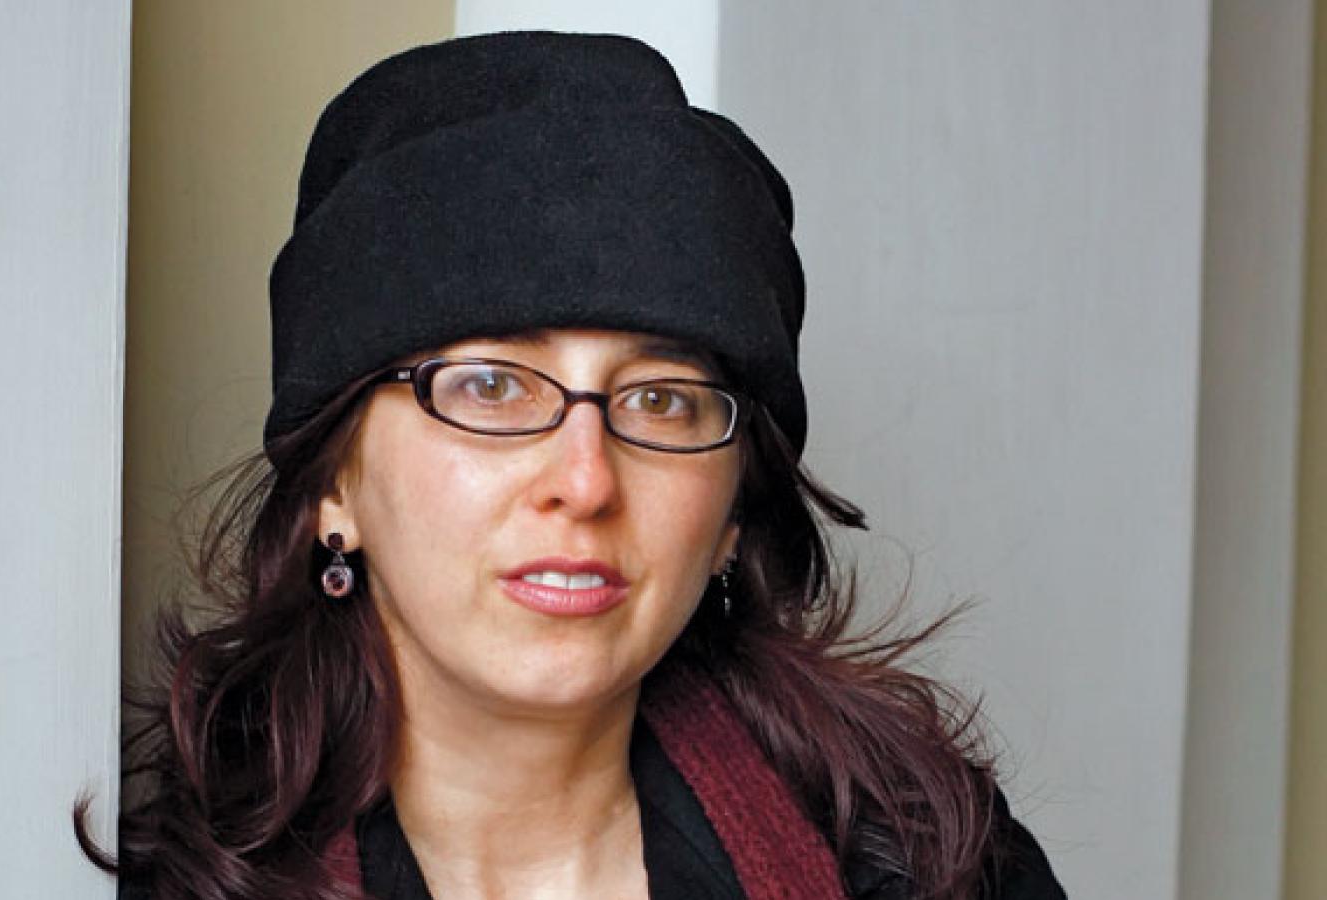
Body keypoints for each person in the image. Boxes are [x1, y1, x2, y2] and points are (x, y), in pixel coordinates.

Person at [84, 30, 1066, 900]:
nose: (586, 482)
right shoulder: (172, 885)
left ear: (732, 516)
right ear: (334, 483)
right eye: (491, 387)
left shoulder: (934, 868)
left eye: (661, 400)